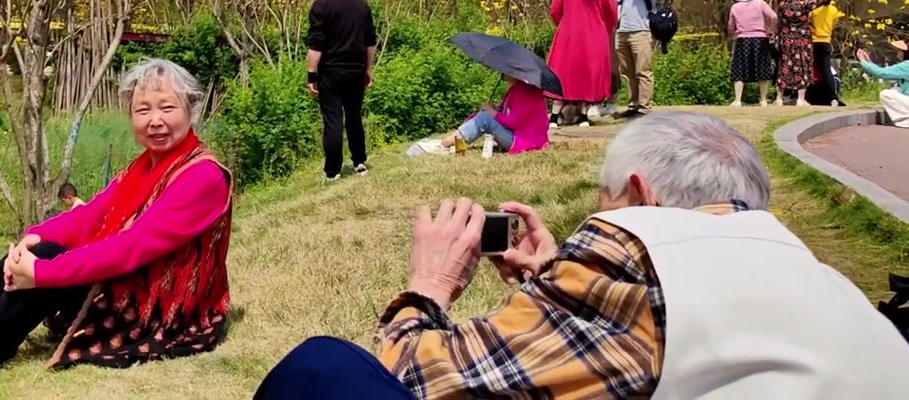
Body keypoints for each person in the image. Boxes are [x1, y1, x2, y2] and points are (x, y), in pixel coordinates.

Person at [255, 112, 909, 399]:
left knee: (321, 370)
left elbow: (419, 379)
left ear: (639, 193)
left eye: (603, 202)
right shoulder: (814, 273)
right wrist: (550, 281)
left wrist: (426, 288)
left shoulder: (633, 251)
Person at [0, 59, 233, 388]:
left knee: (43, 270)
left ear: (191, 110)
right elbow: (91, 216)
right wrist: (32, 238)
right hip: (127, 285)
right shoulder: (143, 165)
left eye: (167, 108)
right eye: (143, 110)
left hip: (161, 311)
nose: (155, 121)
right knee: (35, 252)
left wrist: (41, 273)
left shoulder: (202, 176)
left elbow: (130, 248)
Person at [305, 0, 375, 183]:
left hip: (331, 72)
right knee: (354, 117)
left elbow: (316, 45)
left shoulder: (321, 6)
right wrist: (367, 69)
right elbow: (370, 42)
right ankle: (359, 162)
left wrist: (311, 76)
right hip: (355, 70)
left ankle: (332, 171)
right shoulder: (360, 4)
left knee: (333, 121)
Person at [546, 0, 617, 127]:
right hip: (594, 39)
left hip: (567, 38)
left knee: (563, 74)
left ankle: (555, 116)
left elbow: (555, 11)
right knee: (588, 74)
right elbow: (612, 15)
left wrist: (565, 25)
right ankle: (583, 116)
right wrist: (603, 30)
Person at [436, 75, 549, 155]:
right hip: (527, 139)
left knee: (485, 118)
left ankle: (448, 144)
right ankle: (456, 144)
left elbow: (513, 122)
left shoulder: (522, 91)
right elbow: (507, 112)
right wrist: (493, 108)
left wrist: (491, 112)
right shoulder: (519, 88)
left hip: (523, 142)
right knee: (482, 116)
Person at [612, 0, 661, 118]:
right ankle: (633, 105)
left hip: (641, 31)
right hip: (623, 31)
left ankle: (645, 107)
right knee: (628, 72)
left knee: (643, 70)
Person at [727, 0, 778, 107]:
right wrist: (770, 30)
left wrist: (733, 34)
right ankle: (763, 100)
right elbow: (774, 17)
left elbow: (730, 26)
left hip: (742, 39)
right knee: (762, 68)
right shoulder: (760, 4)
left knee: (739, 69)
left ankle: (738, 100)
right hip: (760, 39)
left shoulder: (735, 7)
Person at [775, 0, 824, 106]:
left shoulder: (782, 6)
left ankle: (779, 98)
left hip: (786, 40)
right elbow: (824, 0)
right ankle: (800, 99)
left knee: (785, 67)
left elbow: (779, 22)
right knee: (803, 67)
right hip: (802, 41)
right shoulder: (804, 5)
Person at [807, 0, 843, 106]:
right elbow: (833, 24)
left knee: (811, 70)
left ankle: (811, 96)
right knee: (826, 70)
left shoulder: (813, 9)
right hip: (826, 42)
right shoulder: (834, 10)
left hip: (814, 42)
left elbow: (807, 23)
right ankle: (832, 96)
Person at [857, 39, 909, 128]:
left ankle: (905, 120)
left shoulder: (906, 66)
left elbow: (881, 73)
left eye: (900, 50)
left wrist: (863, 61)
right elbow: (885, 72)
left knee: (885, 94)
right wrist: (868, 62)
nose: (897, 51)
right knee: (895, 89)